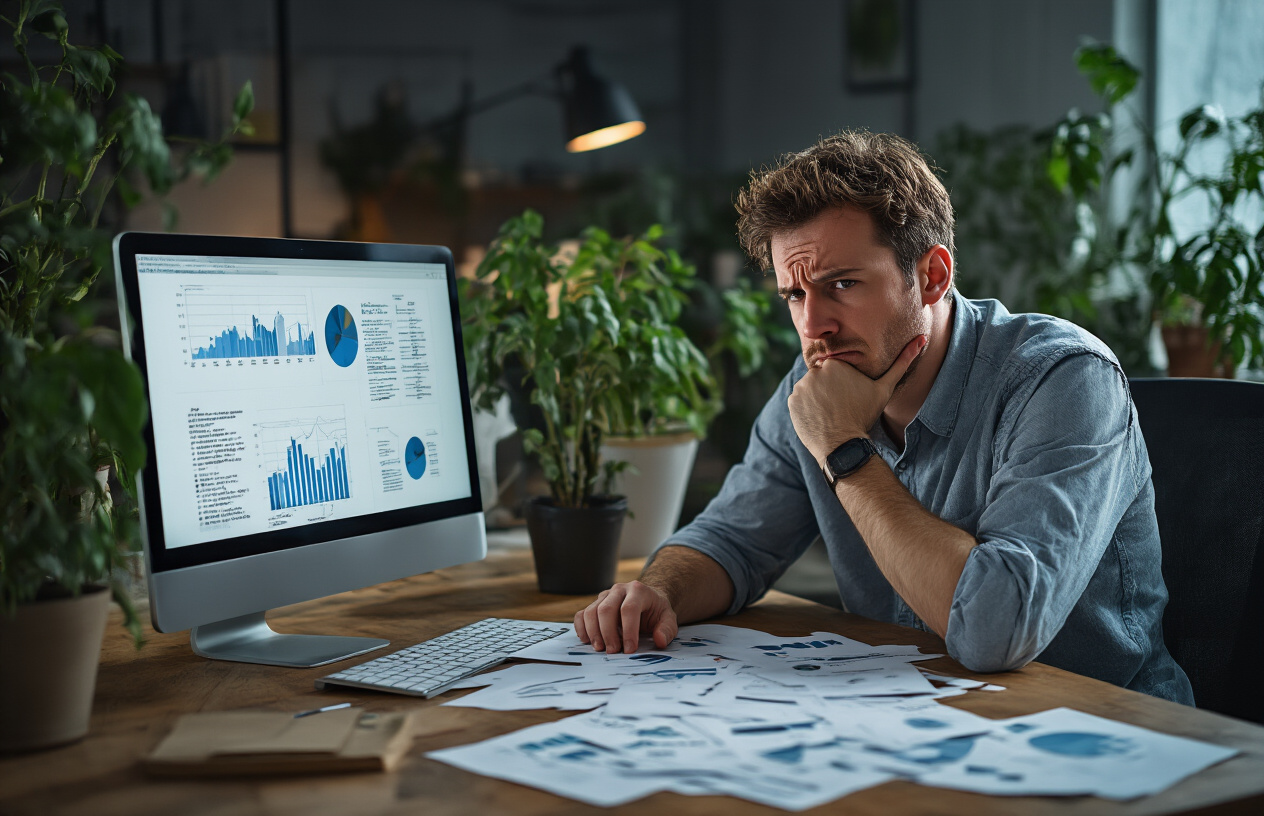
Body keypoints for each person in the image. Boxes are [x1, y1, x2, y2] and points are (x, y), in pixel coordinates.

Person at [574, 130, 1194, 703]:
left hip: (1104, 728)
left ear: (931, 275)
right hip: (913, 717)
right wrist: (660, 591)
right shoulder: (821, 379)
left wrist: (845, 449)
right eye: (795, 293)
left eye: (842, 285)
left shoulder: (1063, 379)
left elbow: (995, 629)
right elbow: (732, 539)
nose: (813, 325)